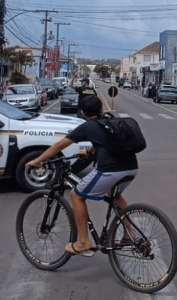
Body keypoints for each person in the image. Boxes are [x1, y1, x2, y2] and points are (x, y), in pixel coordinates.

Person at [25, 96, 139, 256]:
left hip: (110, 169)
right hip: (131, 167)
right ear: (101, 109)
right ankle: (130, 234)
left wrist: (37, 161)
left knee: (76, 195)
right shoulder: (108, 121)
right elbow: (105, 140)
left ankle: (83, 242)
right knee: (115, 195)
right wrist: (89, 152)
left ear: (82, 112)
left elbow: (59, 146)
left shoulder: (88, 126)